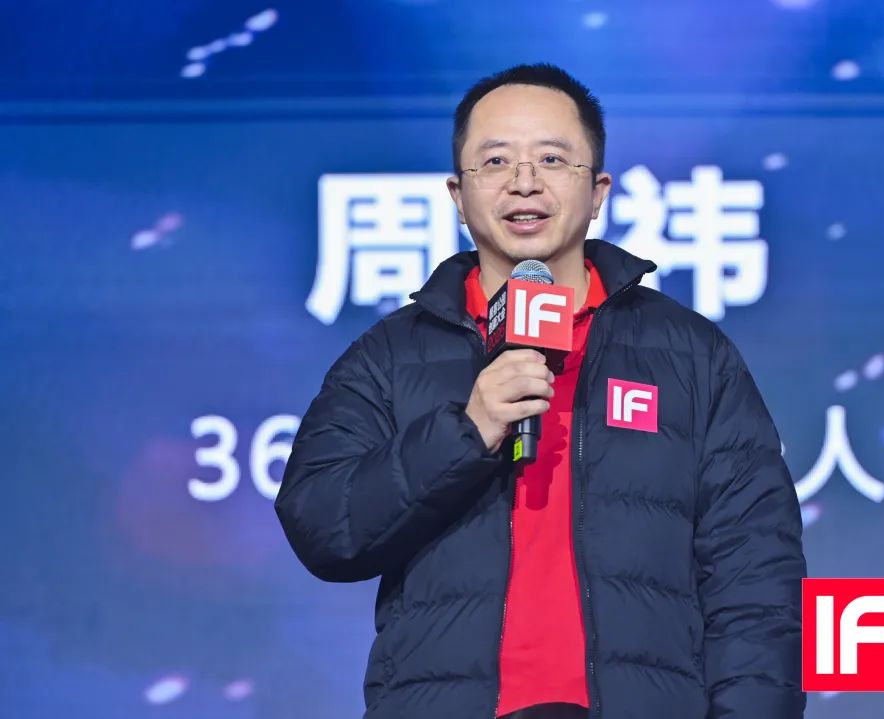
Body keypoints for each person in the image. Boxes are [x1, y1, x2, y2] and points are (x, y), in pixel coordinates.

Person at [275, 63, 806, 719]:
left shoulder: (692, 355)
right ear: (457, 194)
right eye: (496, 160)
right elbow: (324, 525)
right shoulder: (390, 356)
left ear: (598, 190)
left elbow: (756, 579)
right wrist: (466, 430)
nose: (524, 181)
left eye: (552, 159)